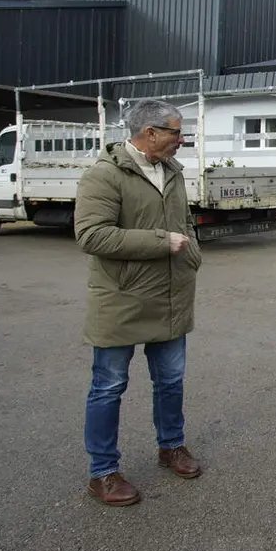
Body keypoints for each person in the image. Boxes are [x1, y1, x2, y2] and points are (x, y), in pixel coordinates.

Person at [74, 99, 203, 507]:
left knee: (170, 381)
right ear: (149, 133)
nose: (181, 141)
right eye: (175, 132)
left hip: (170, 296)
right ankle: (103, 473)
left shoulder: (172, 172)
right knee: (108, 386)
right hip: (121, 299)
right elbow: (92, 235)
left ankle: (171, 447)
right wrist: (160, 243)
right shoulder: (104, 174)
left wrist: (192, 255)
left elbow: (184, 225)